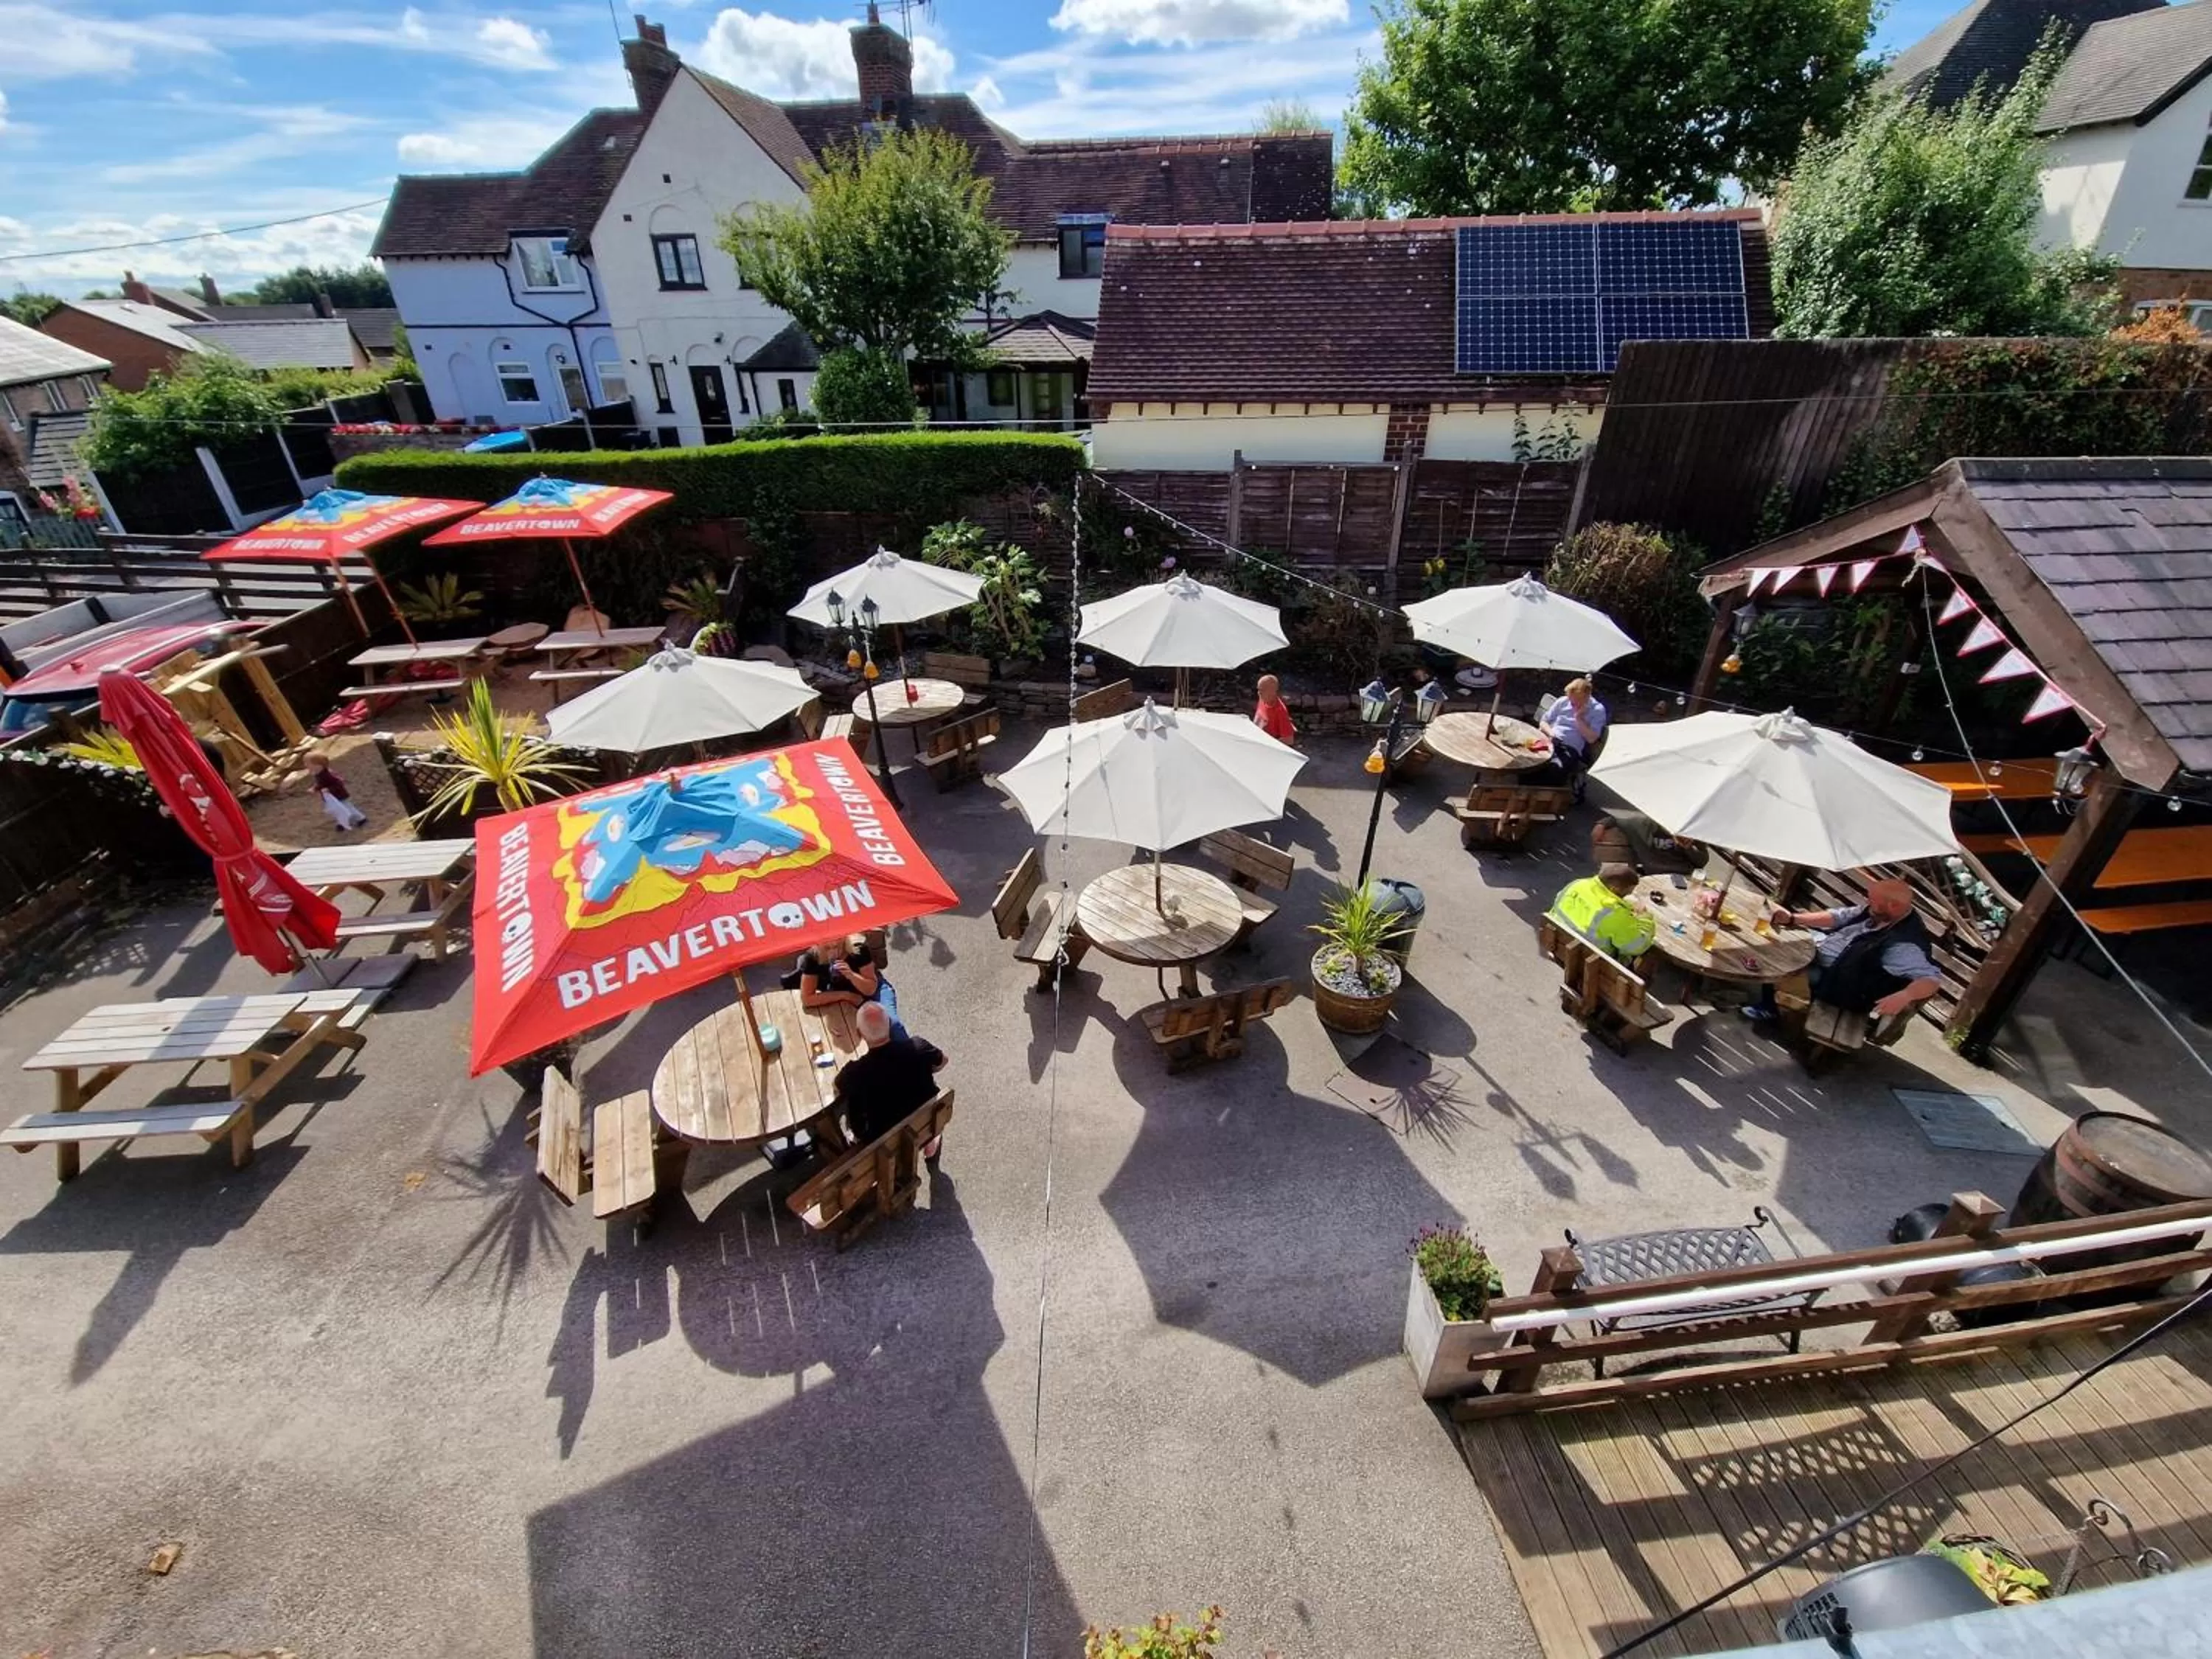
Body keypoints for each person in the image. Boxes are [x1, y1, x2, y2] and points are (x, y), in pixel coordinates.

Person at [1742, 879, 1941, 1026]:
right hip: (1825, 949)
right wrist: (1793, 919)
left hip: (1838, 983)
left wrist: (1906, 995)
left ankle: (1769, 1008)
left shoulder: (1903, 944)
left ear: (1894, 906)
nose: (1867, 903)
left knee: (1783, 964)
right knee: (1780, 937)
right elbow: (1837, 918)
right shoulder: (1881, 910)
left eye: (1873, 901)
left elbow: (1931, 979)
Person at [835, 1001, 947, 1154]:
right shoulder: (919, 1047)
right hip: (926, 1119)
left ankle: (854, 1137)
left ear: (859, 1034)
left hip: (882, 1143)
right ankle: (928, 1138)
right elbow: (943, 1062)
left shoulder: (855, 1072)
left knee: (853, 1100)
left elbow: (838, 1088)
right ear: (889, 1024)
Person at [1548, 863, 1656, 964]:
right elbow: (1636, 947)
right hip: (1590, 962)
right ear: (1614, 889)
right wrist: (1644, 917)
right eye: (1627, 892)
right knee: (1648, 950)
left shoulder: (1577, 884)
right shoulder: (1612, 912)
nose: (1628, 895)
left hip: (1559, 944)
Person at [790, 932, 899, 1029]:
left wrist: (851, 975)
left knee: (892, 1024)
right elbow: (807, 999)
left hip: (875, 989)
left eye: (837, 945)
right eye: (827, 948)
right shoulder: (813, 957)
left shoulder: (857, 949)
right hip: (841, 997)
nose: (834, 951)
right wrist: (846, 996)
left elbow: (871, 989)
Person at [1540, 677, 1608, 801]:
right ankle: (1526, 792)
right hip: (1551, 739)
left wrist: (1578, 718)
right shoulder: (1563, 701)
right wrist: (1551, 734)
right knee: (1534, 762)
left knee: (1556, 768)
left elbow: (1592, 739)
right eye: (1571, 701)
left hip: (1571, 748)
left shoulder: (1597, 710)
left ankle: (1544, 798)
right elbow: (1544, 722)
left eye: (1576, 702)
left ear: (1587, 697)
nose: (1572, 704)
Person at [1591, 807, 1705, 877]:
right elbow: (1619, 821)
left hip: (1685, 875)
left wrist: (1689, 848)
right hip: (1655, 876)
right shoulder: (1644, 826)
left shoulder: (1690, 831)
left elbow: (1702, 862)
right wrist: (1602, 824)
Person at [307, 750, 367, 832]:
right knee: (337, 810)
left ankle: (361, 818)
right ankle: (342, 823)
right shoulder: (318, 774)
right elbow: (320, 784)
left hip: (339, 796)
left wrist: (329, 789)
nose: (306, 765)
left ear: (317, 765)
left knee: (347, 808)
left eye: (308, 763)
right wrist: (315, 788)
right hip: (332, 798)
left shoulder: (328, 774)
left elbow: (339, 783)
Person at [1252, 673, 1297, 746]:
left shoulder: (1280, 711)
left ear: (1273, 691)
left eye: (1262, 690)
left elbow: (1289, 740)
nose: (1259, 693)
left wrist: (1266, 745)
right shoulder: (1263, 698)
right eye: (1258, 689)